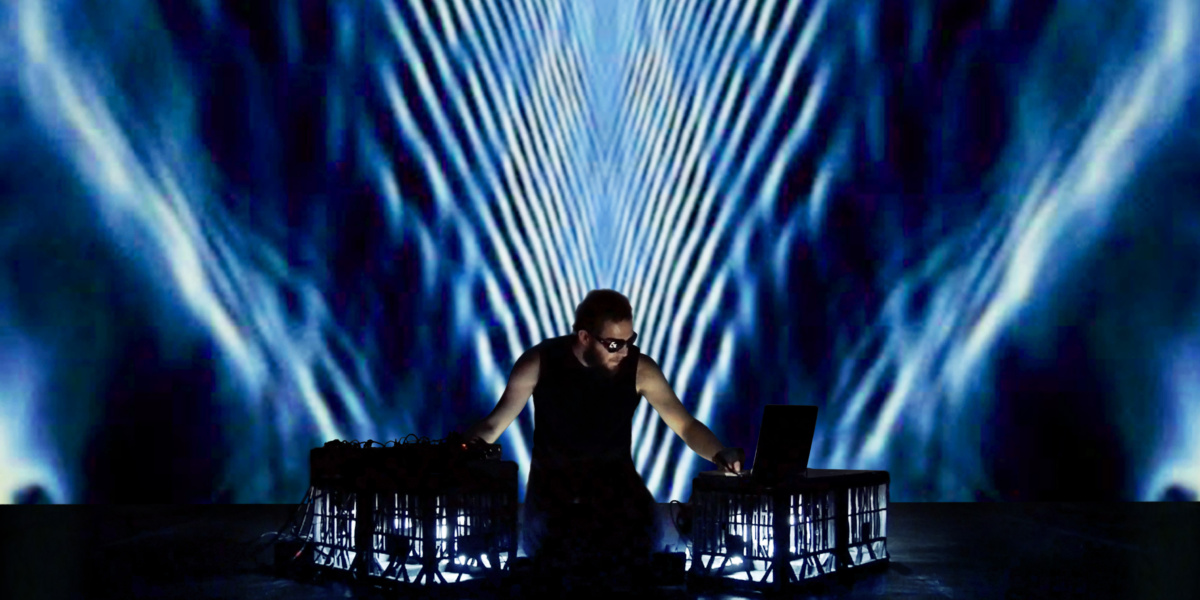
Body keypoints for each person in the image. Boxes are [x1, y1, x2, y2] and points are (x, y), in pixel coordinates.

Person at [462, 289, 744, 586]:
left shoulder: (639, 369)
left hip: (618, 497)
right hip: (553, 502)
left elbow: (685, 425)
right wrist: (454, 455)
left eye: (629, 341)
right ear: (585, 337)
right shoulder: (539, 362)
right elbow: (493, 425)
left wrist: (719, 454)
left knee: (630, 542)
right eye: (614, 344)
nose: (624, 352)